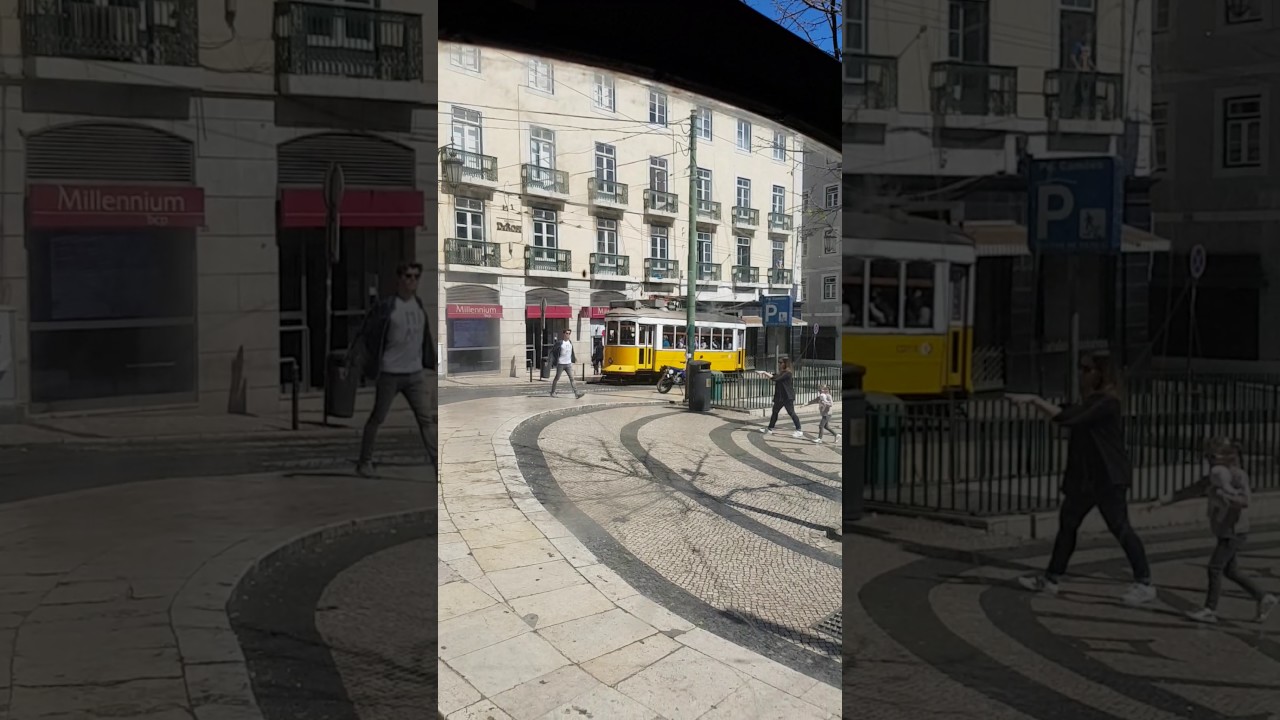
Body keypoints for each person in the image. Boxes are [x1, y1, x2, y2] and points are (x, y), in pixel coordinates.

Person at [1007, 351, 1156, 605]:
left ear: (1100, 373)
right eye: (1080, 368)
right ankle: (1051, 578)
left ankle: (1144, 583)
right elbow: (1066, 412)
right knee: (1068, 525)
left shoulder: (1107, 402)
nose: (1081, 374)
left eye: (1086, 369)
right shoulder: (1090, 400)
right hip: (1084, 478)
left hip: (1108, 476)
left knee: (1120, 527)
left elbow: (1067, 418)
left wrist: (1034, 400)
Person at [1155, 437, 1278, 623]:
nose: (1209, 461)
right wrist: (1161, 502)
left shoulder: (1237, 476)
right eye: (1207, 457)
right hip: (1223, 529)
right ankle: (1263, 596)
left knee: (1214, 568)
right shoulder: (1213, 477)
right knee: (1231, 571)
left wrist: (1225, 495)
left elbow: (1246, 501)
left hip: (1235, 530)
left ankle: (1210, 609)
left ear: (1226, 457)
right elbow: (1190, 490)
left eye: (1212, 457)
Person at [351, 261, 435, 478]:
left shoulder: (418, 304)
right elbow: (367, 332)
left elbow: (424, 338)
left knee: (426, 421)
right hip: (390, 373)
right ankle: (364, 462)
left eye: (416, 276)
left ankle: (438, 467)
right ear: (399, 279)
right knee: (377, 417)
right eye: (408, 276)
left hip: (415, 374)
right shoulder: (387, 306)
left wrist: (429, 361)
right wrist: (358, 358)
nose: (412, 280)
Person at [758, 358, 804, 439]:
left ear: (785, 364)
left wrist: (764, 373)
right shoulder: (782, 373)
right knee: (775, 412)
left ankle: (799, 430)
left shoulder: (787, 373)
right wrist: (764, 373)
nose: (779, 364)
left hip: (787, 396)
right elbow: (774, 376)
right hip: (779, 397)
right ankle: (770, 428)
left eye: (781, 363)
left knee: (791, 413)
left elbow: (776, 378)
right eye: (779, 362)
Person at [547, 329, 584, 399]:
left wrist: (574, 358)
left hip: (568, 364)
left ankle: (577, 393)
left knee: (572, 378)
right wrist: (552, 360)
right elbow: (553, 351)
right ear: (563, 334)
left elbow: (571, 352)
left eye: (569, 333)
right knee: (557, 378)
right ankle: (552, 392)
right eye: (567, 333)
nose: (568, 335)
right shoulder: (560, 343)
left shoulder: (570, 342)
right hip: (561, 364)